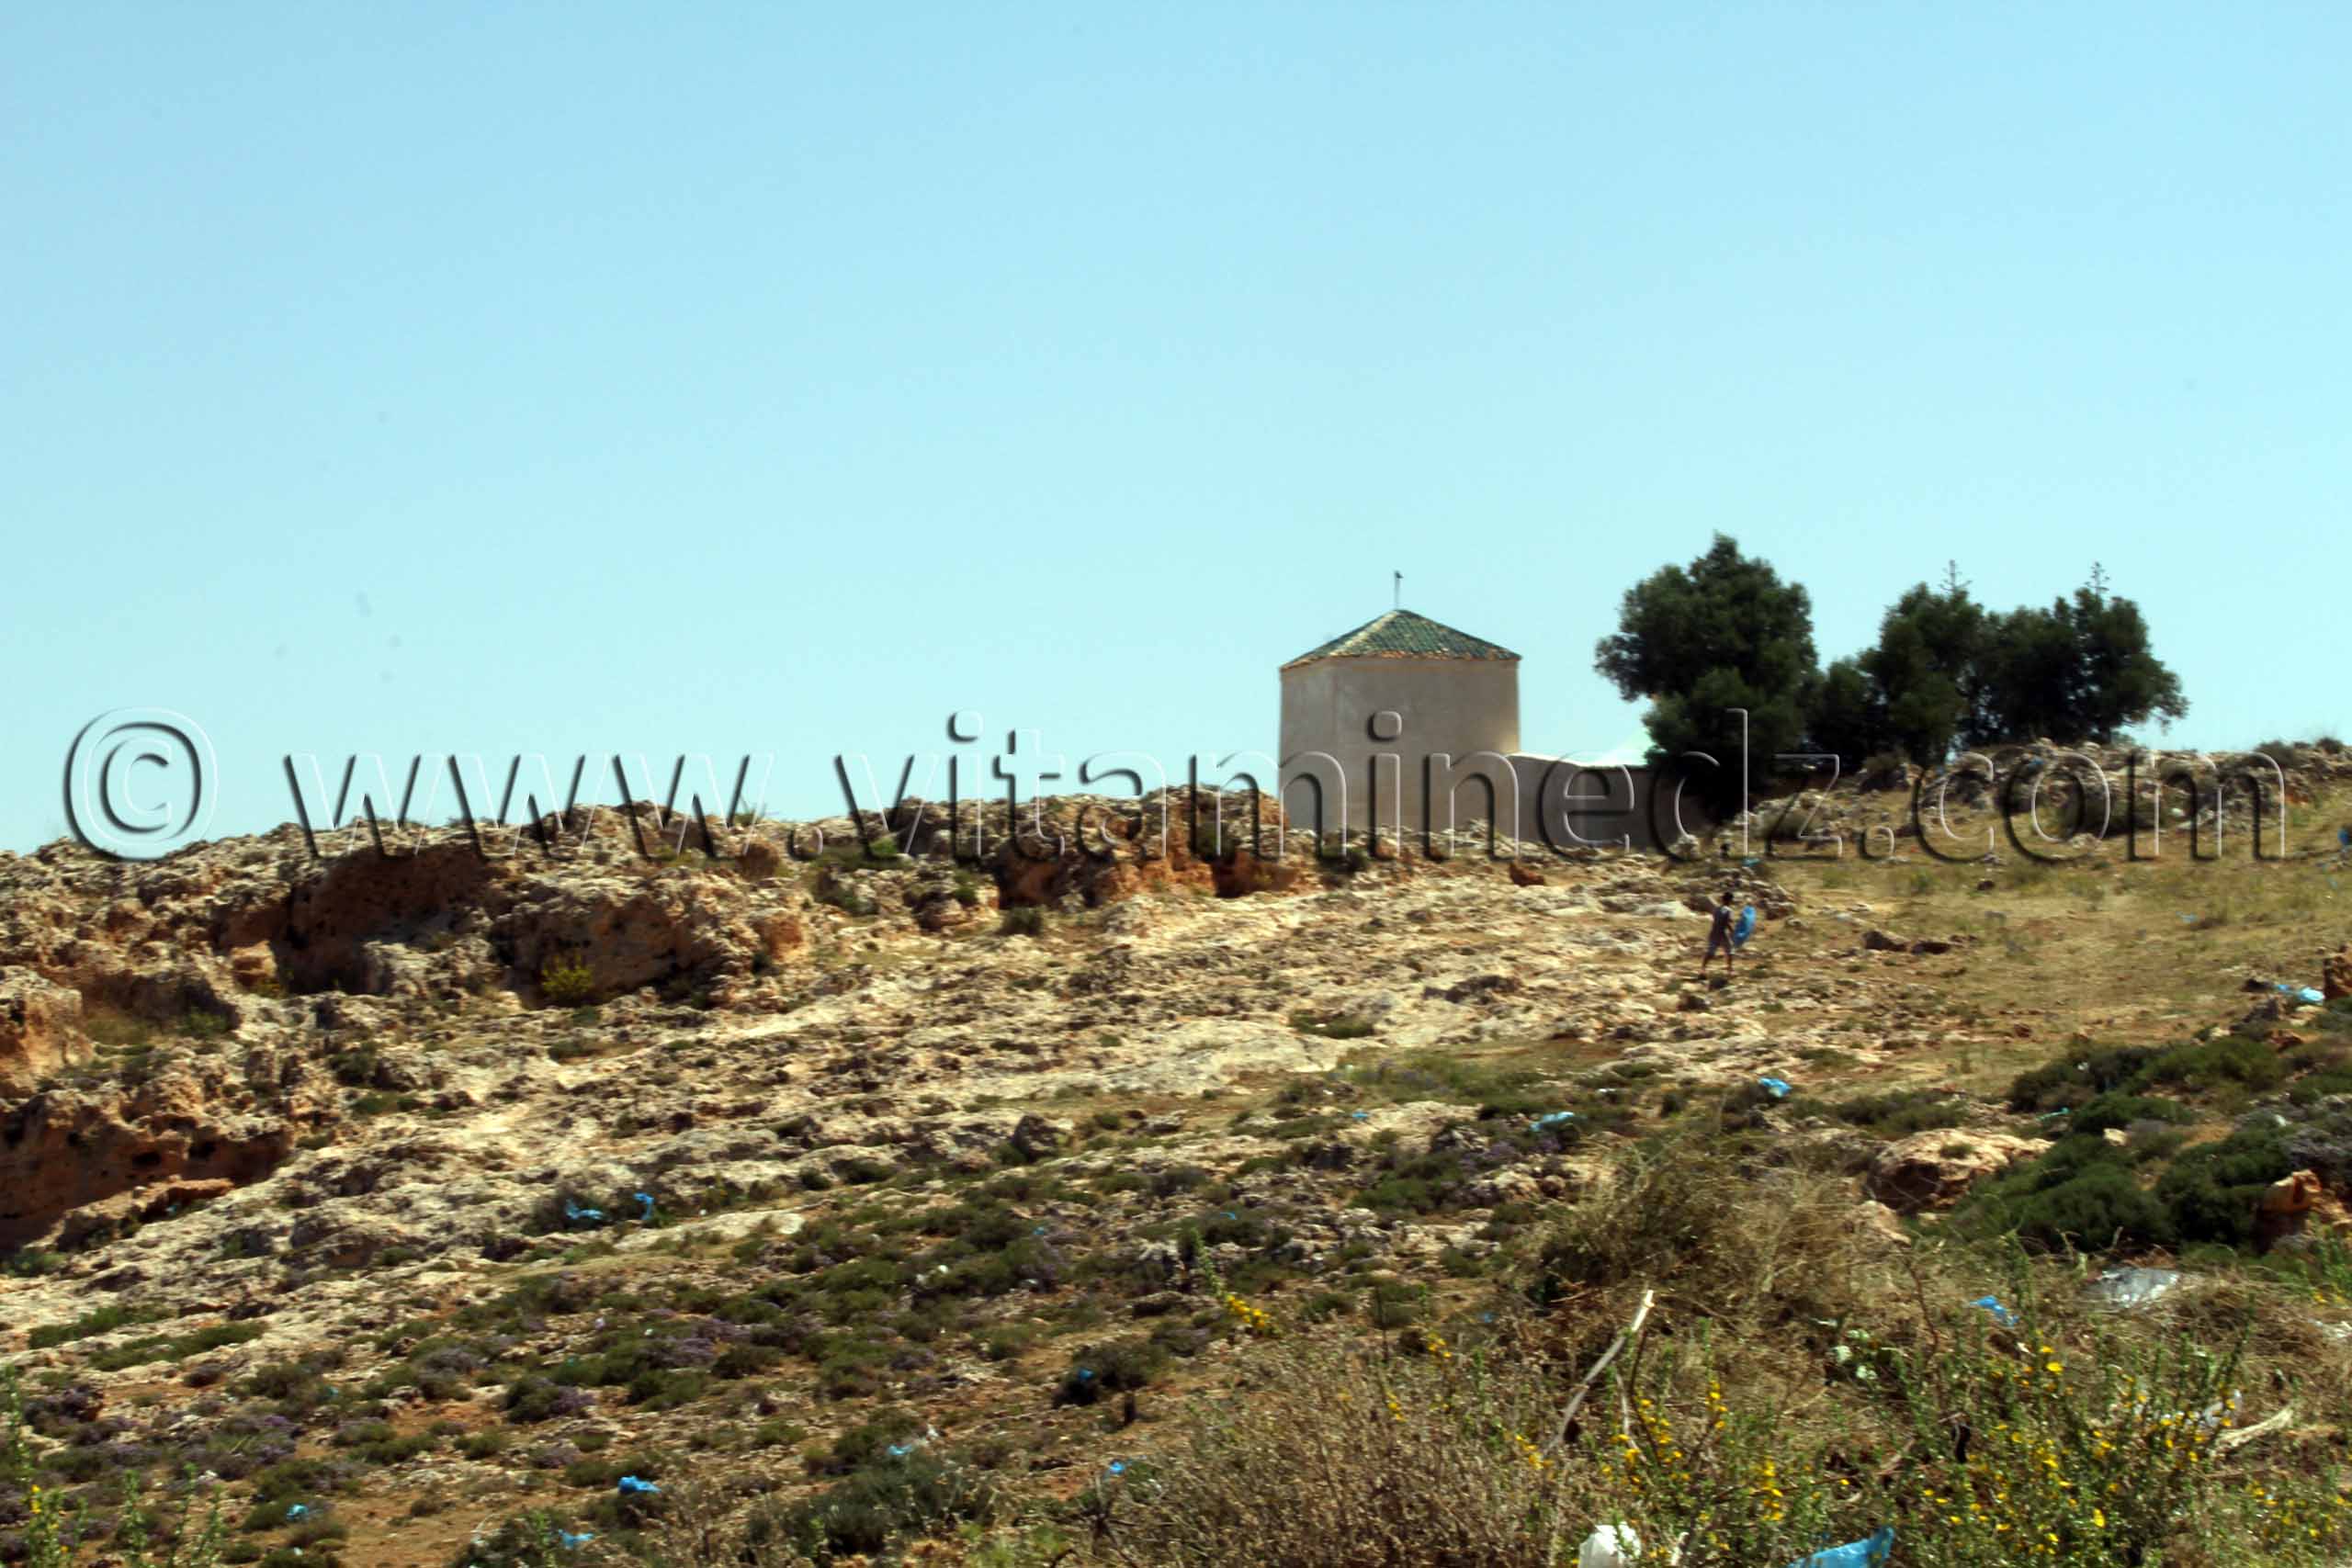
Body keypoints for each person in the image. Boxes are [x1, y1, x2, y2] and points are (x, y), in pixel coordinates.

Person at [1701, 889, 1737, 976]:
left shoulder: (1716, 909)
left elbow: (1716, 919)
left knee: (1710, 952)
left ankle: (1702, 969)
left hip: (1714, 932)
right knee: (1730, 951)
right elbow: (1726, 922)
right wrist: (1732, 931)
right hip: (1722, 933)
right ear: (1730, 900)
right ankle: (1730, 971)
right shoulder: (1728, 910)